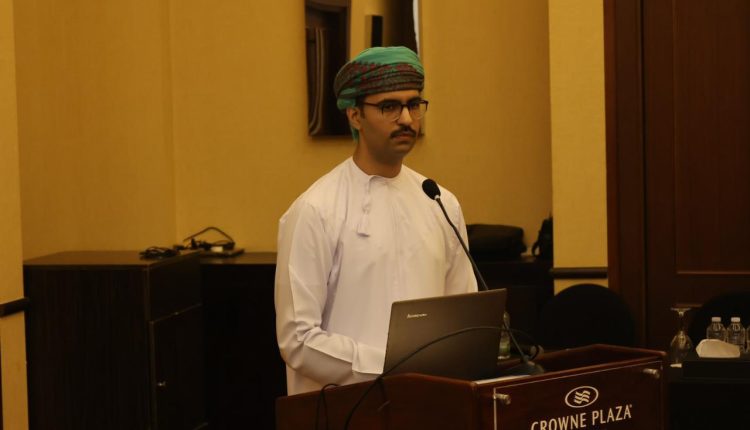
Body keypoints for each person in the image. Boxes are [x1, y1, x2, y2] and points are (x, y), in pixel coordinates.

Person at [275, 46, 477, 395]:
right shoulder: (315, 209)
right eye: (389, 107)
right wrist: (391, 369)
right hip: (344, 407)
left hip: (429, 402)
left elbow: (463, 316)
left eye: (414, 104)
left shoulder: (440, 202)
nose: (407, 119)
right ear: (355, 115)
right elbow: (298, 339)